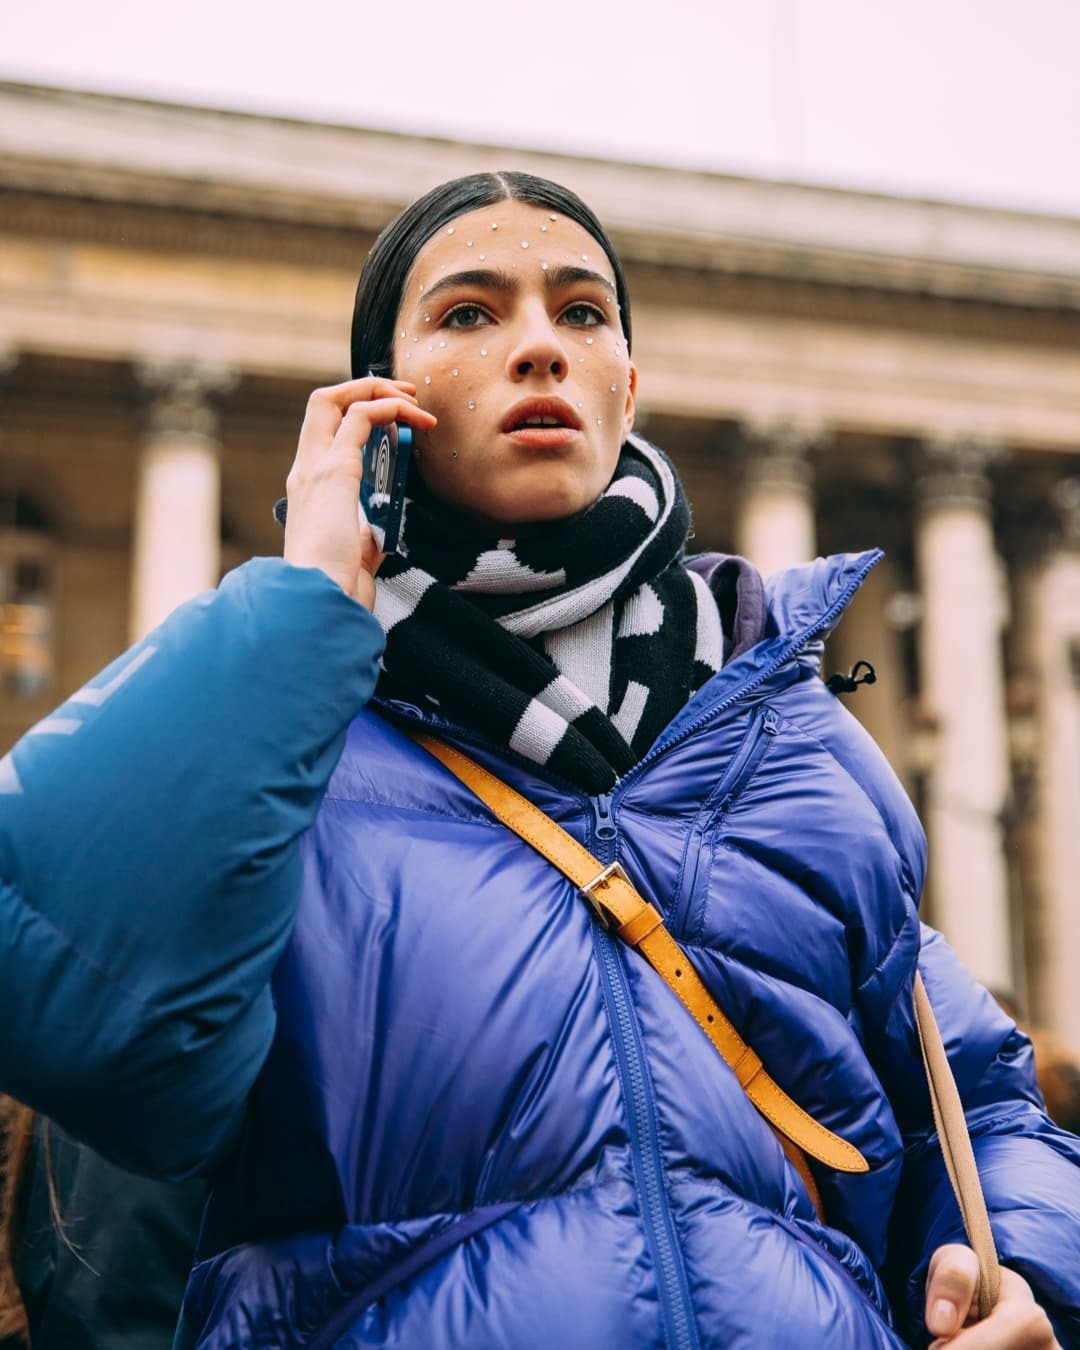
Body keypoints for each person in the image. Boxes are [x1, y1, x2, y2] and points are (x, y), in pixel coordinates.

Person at [1, 171, 1077, 1349]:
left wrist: (1015, 1274)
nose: (538, 348)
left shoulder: (786, 735)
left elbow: (973, 1103)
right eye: (468, 314)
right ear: (381, 395)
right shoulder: (281, 751)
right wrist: (302, 610)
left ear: (630, 384)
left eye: (582, 312)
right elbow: (87, 1016)